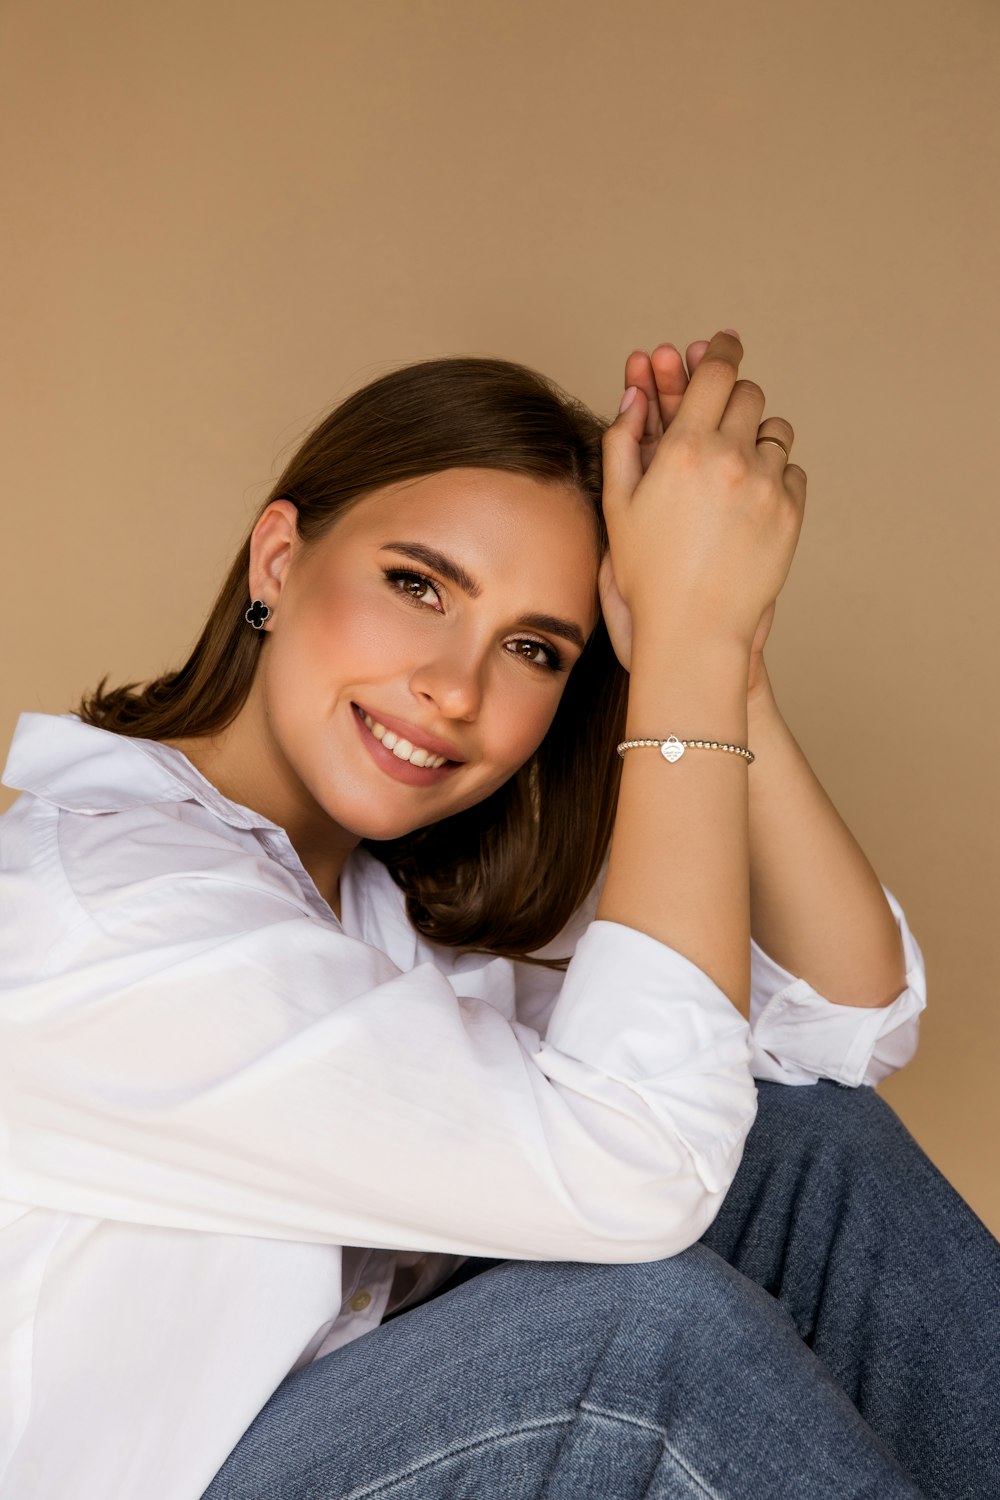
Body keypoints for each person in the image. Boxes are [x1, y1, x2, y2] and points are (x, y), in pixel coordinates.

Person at [0, 331, 996, 1500]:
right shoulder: (107, 909)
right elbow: (638, 1168)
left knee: (804, 1146)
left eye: (533, 648)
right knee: (643, 1344)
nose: (457, 688)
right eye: (416, 584)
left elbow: (841, 1025)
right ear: (279, 558)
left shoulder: (379, 907)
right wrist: (691, 646)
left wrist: (717, 656)